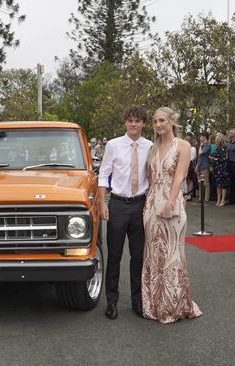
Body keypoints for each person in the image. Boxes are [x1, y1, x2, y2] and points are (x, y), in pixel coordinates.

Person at [141, 107, 202, 324]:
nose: (158, 125)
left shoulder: (183, 146)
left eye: (162, 121)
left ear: (172, 121)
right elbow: (149, 178)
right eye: (155, 122)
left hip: (171, 205)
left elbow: (180, 177)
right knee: (154, 255)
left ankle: (174, 306)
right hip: (150, 207)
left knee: (172, 255)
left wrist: (169, 203)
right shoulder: (153, 147)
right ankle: (154, 304)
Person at [97, 105, 152, 320]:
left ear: (143, 124)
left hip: (141, 205)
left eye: (137, 121)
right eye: (130, 120)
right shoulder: (113, 145)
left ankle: (137, 301)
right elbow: (103, 174)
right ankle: (112, 301)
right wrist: (102, 203)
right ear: (125, 123)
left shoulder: (150, 146)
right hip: (118, 205)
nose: (133, 124)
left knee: (138, 256)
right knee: (115, 256)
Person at [210, 133, 229, 207]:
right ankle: (218, 200)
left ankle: (222, 200)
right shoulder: (217, 149)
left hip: (223, 168)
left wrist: (214, 159)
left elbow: (223, 159)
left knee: (223, 185)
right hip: (218, 168)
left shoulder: (224, 149)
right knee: (218, 185)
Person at [196, 132, 211, 204]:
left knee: (206, 183)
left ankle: (206, 199)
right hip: (199, 165)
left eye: (201, 136)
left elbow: (200, 153)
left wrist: (201, 146)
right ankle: (200, 198)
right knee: (200, 183)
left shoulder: (207, 145)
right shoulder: (201, 145)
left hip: (205, 165)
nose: (200, 138)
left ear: (205, 137)